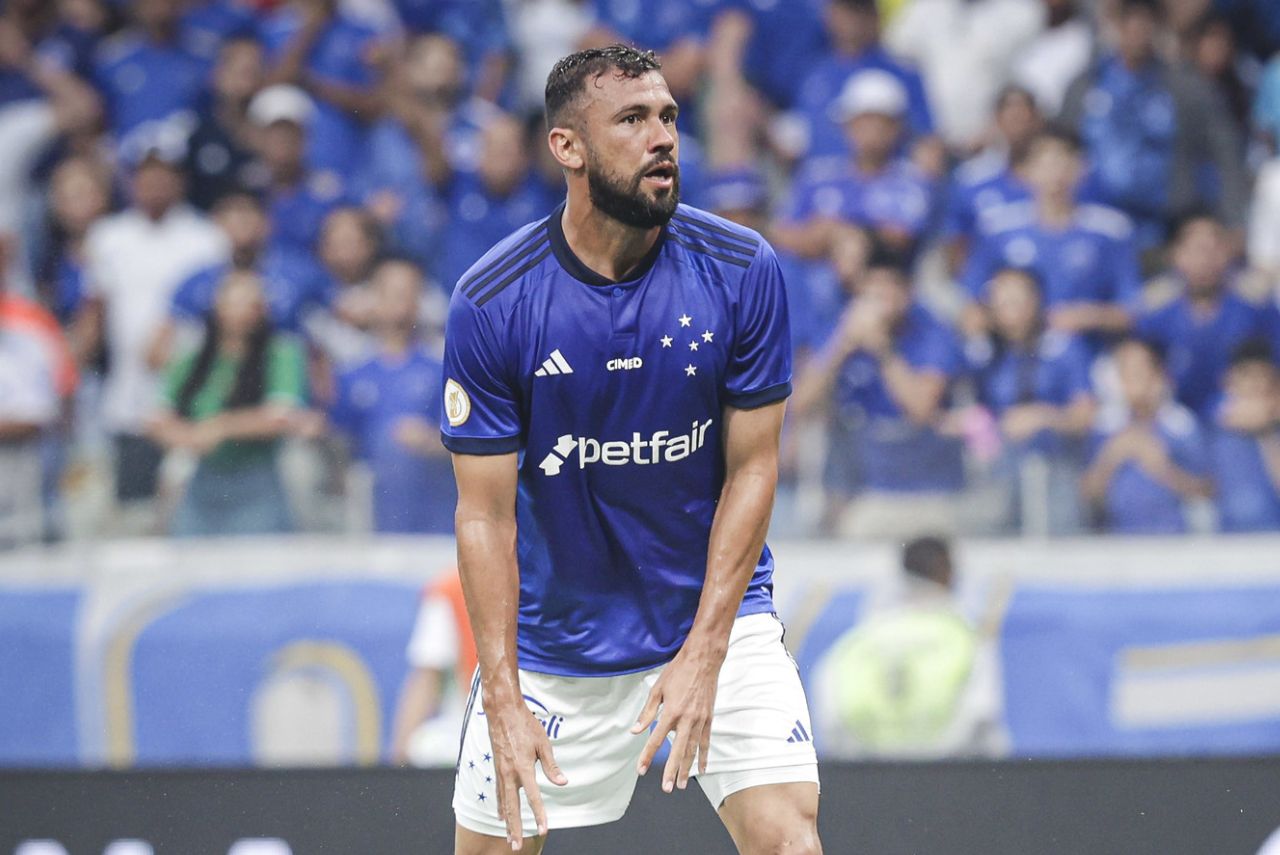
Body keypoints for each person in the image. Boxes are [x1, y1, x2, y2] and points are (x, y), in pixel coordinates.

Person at [441, 45, 820, 854]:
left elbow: (754, 465)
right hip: (557, 642)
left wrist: (708, 647)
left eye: (669, 118)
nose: (663, 138)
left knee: (788, 834)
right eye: (632, 119)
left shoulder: (741, 269)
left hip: (715, 611)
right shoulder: (492, 300)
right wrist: (502, 696)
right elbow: (483, 515)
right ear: (567, 148)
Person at [73, 143, 228, 523]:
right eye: (146, 174)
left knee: (186, 510)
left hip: (190, 398)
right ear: (132, 180)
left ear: (180, 180)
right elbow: (94, 310)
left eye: (164, 174)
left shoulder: (206, 237)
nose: (155, 183)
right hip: (129, 397)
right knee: (135, 514)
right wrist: (74, 364)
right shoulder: (108, 236)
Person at [791, 252, 966, 538]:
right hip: (857, 485)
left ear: (907, 294)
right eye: (869, 294)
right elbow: (799, 403)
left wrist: (882, 350)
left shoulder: (931, 332)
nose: (877, 304)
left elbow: (921, 409)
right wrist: (841, 347)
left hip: (922, 487)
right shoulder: (839, 330)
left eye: (886, 293)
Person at [1059, 0, 1247, 251]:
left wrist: (1233, 219)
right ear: (1114, 25)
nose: (1136, 31)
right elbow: (1060, 149)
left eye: (1145, 23)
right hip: (1094, 227)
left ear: (1157, 28)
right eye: (1129, 22)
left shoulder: (1186, 87)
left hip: (1168, 229)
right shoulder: (1086, 86)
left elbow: (1224, 152)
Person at [811, 537, 1006, 759]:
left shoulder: (857, 641)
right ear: (947, 572)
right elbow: (982, 716)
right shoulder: (968, 640)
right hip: (948, 780)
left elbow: (832, 719)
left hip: (868, 780)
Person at [148, 270, 305, 536]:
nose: (240, 313)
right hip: (203, 483)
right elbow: (158, 417)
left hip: (256, 483)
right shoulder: (193, 360)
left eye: (249, 304)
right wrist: (186, 436)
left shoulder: (281, 354)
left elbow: (280, 416)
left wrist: (222, 427)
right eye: (232, 303)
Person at [961, 129, 1141, 344]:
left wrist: (1089, 316)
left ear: (1081, 169)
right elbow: (971, 306)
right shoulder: (997, 228)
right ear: (1026, 171)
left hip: (1086, 357)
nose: (1055, 174)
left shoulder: (1111, 231)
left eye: (1063, 163)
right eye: (1045, 164)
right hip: (1015, 358)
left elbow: (1132, 312)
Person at [329, 257, 456, 534]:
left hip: (435, 501)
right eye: (390, 292)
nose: (399, 300)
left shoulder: (444, 365)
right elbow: (339, 443)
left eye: (409, 291)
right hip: (370, 505)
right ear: (373, 298)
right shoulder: (350, 371)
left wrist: (431, 441)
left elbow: (471, 438)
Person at [967, 267, 1096, 535]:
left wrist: (1045, 416)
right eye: (999, 299)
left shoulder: (1064, 348)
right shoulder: (984, 354)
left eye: (1016, 297)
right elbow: (975, 411)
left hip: (1057, 470)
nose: (1007, 306)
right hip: (1001, 474)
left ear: (1036, 300)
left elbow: (1086, 415)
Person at [774, 69, 935, 264]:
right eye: (861, 121)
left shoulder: (912, 180)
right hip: (806, 279)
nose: (870, 131)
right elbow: (780, 232)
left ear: (897, 128)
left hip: (879, 282)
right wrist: (825, 237)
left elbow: (899, 236)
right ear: (846, 126)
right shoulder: (816, 175)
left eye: (879, 122)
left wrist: (838, 233)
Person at [1136, 214, 1277, 421]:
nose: (1205, 260)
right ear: (1176, 254)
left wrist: (1270, 404)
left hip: (1241, 417)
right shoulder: (1155, 309)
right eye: (1196, 250)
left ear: (1227, 252)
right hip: (1174, 418)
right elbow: (1136, 366)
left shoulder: (1256, 304)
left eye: (1213, 250)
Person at [1081, 338, 1212, 534]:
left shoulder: (1180, 425)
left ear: (1158, 374)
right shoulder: (1106, 426)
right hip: (1119, 541)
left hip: (1175, 539)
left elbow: (1208, 489)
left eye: (1140, 370)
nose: (1133, 379)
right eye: (1125, 371)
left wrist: (1162, 468)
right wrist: (1112, 456)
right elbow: (1088, 492)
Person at [390, 567, 477, 766]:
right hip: (468, 729)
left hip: (534, 726)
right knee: (428, 747)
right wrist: (399, 769)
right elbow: (426, 678)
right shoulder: (452, 589)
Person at [1210, 341, 1280, 533]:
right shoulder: (1213, 425)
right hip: (1228, 542)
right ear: (1230, 380)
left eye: (1264, 376)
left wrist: (1267, 432)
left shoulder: (1273, 430)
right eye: (1248, 375)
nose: (1257, 384)